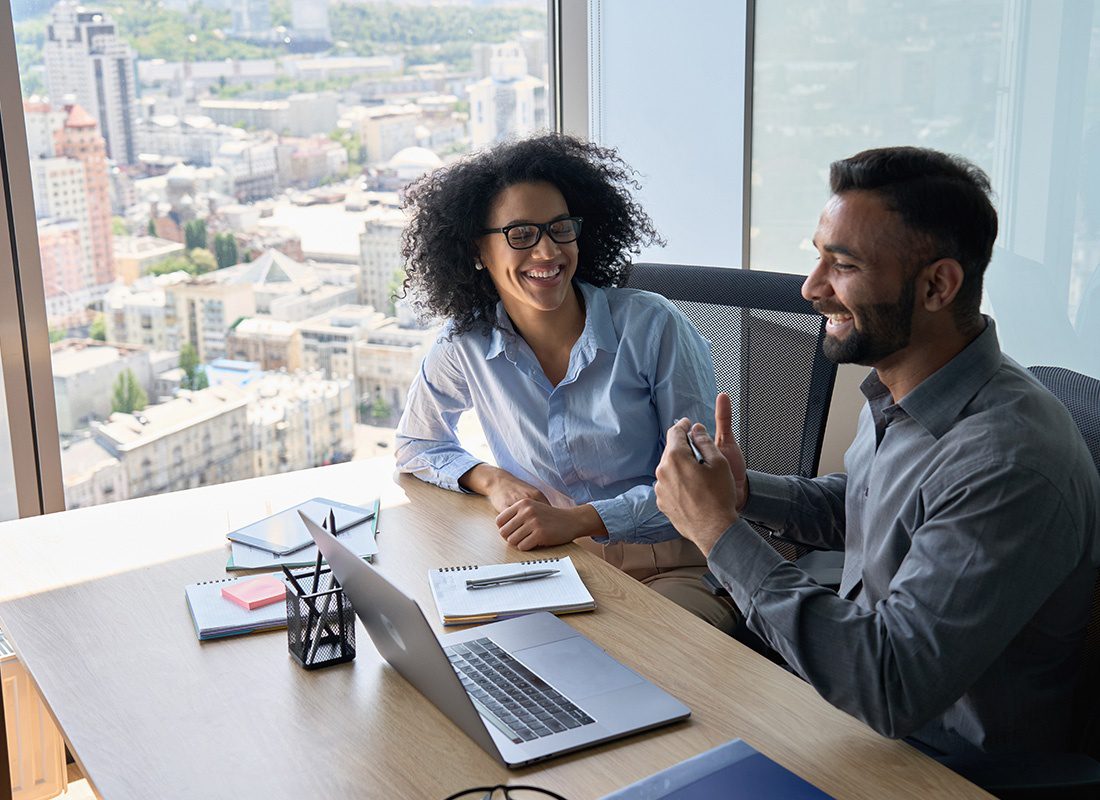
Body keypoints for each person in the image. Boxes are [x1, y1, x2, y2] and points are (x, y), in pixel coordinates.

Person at [654, 146, 1100, 756]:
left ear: (937, 285)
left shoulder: (1008, 463)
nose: (811, 288)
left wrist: (717, 531)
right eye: (818, 257)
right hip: (844, 712)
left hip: (931, 764)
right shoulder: (905, 386)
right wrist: (747, 493)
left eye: (843, 265)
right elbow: (869, 504)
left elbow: (890, 684)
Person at [394, 133, 735, 632]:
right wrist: (493, 480)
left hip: (674, 567)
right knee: (480, 654)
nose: (548, 250)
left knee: (628, 665)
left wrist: (580, 520)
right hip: (555, 568)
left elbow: (703, 490)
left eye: (560, 229)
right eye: (521, 234)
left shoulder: (651, 326)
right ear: (477, 251)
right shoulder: (466, 343)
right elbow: (417, 445)